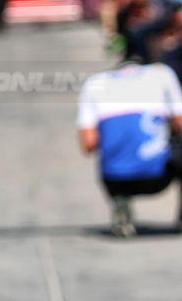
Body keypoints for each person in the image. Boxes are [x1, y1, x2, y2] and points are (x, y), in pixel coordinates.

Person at [77, 59, 182, 237]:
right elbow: (180, 124)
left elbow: (89, 144)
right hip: (158, 175)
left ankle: (120, 200)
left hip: (117, 177)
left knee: (111, 153)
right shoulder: (161, 73)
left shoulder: (94, 84)